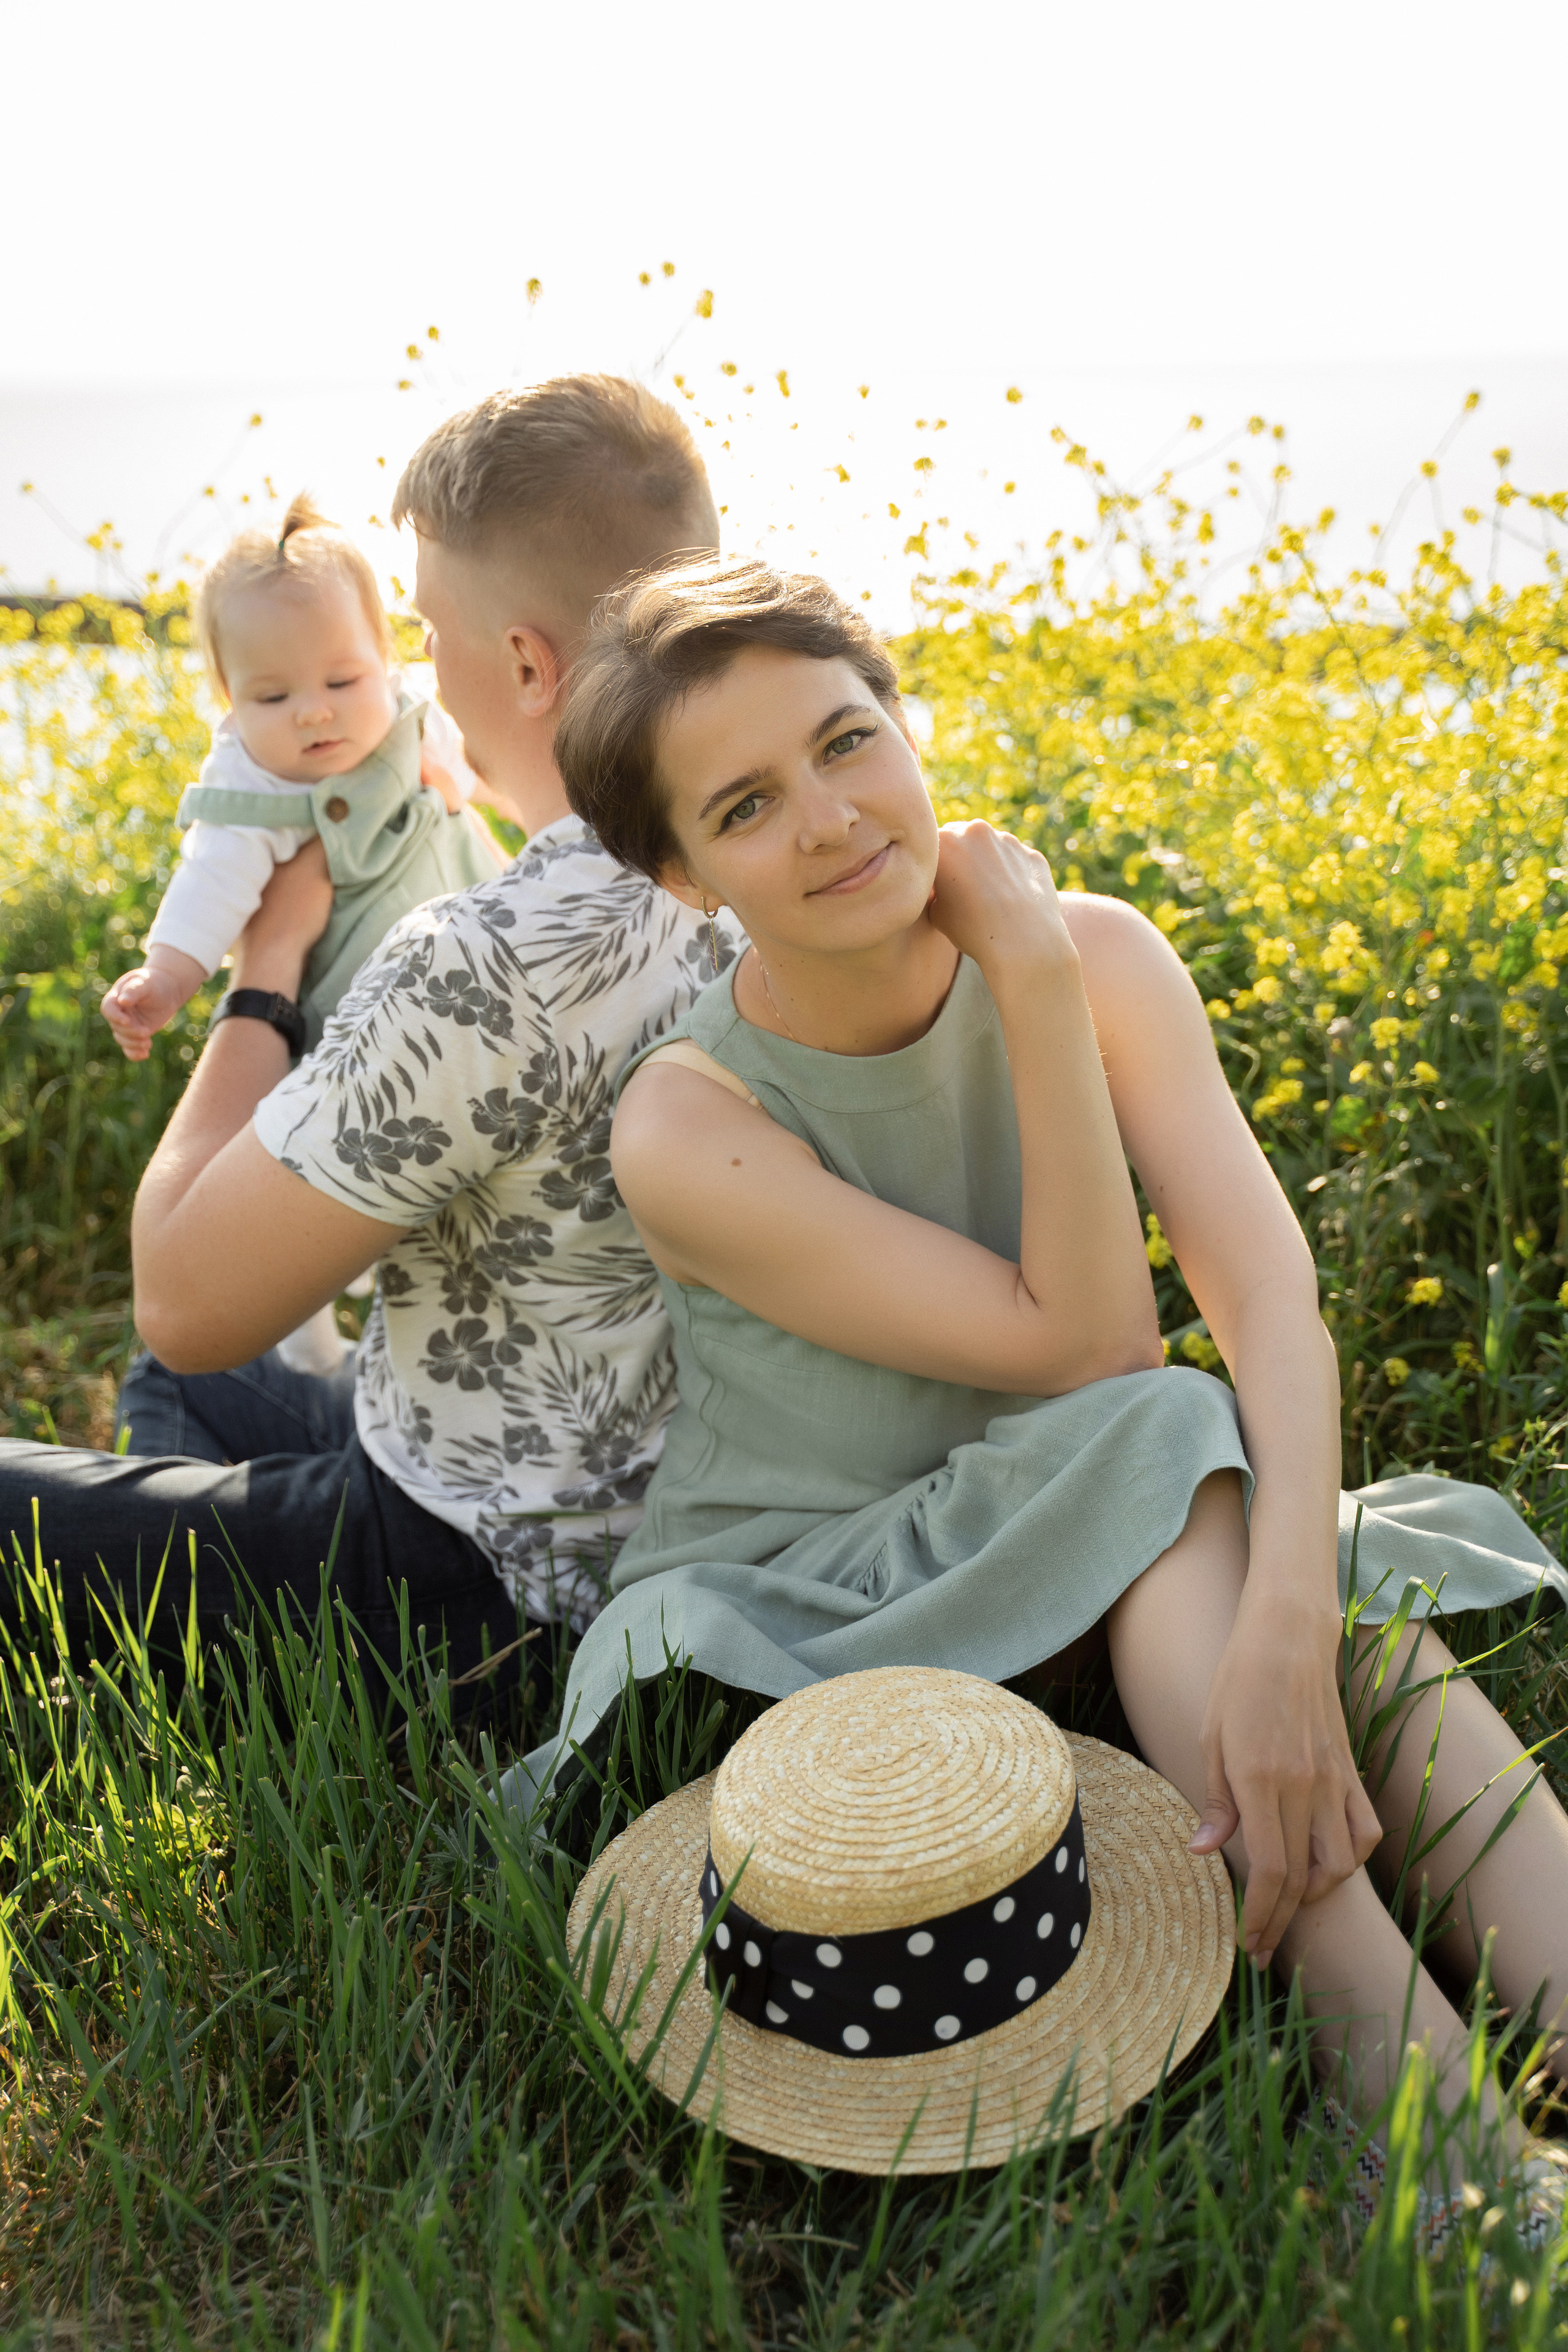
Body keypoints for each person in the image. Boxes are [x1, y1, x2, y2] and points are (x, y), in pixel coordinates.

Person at [531, 552, 1568, 2181]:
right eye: (744, 807)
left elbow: (1269, 1310)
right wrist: (1026, 979)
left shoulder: (1107, 948)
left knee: (1336, 1600)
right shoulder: (687, 1125)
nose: (831, 817)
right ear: (682, 877)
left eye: (848, 738)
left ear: (900, 716)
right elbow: (1095, 1350)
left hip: (1117, 1520)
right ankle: (1437, 2145)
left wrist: (1294, 1629)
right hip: (826, 1596)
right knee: (1171, 1445)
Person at [0, 376, 731, 1724]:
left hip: (476, 1579)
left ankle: (196, 1661)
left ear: (521, 665)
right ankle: (188, 1596)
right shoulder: (775, 861)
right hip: (670, 1526)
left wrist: (266, 973)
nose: (417, 678)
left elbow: (181, 1289)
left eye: (427, 634)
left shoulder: (482, 957)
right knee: (185, 1390)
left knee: (126, 1397)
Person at [102, 490, 502, 1374]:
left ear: (387, 660)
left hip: (465, 964)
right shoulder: (255, 790)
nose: (315, 714)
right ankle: (312, 1347)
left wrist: (471, 793)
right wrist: (166, 978)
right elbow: (211, 884)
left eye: (341, 681)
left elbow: (476, 779)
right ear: (229, 701)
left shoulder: (413, 716)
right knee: (316, 1185)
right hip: (342, 1024)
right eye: (273, 695)